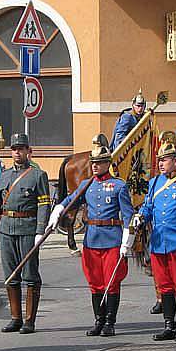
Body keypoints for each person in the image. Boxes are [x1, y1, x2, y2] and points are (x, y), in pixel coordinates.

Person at [49, 143, 134, 337]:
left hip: (112, 238)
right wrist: (58, 209)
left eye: (99, 162)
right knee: (95, 283)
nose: (95, 166)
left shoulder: (119, 185)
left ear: (108, 164)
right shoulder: (86, 184)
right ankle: (99, 320)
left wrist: (127, 238)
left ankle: (110, 322)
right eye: (93, 162)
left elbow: (127, 214)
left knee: (111, 283)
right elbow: (71, 199)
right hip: (92, 239)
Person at [134, 137, 176, 342]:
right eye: (159, 160)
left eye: (165, 160)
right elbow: (149, 207)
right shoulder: (155, 182)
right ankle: (168, 325)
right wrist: (141, 215)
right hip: (158, 242)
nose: (161, 164)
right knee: (163, 285)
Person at [0, 133, 51, 335]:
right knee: (10, 275)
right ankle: (15, 317)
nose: (17, 153)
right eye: (14, 149)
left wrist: (41, 229)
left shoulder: (37, 175)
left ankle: (29, 320)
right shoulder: (4, 176)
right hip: (6, 228)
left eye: (21, 149)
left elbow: (44, 204)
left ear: (28, 151)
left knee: (30, 274)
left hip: (28, 228)